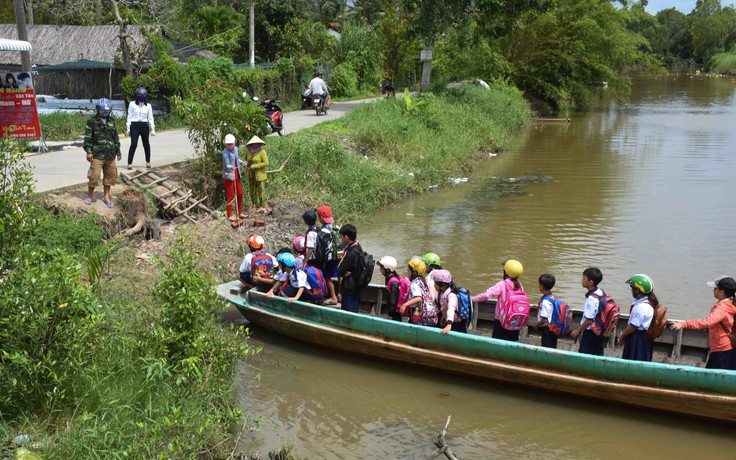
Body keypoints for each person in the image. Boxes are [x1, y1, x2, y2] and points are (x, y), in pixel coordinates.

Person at [671, 276, 736, 370]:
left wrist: (684, 324)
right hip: (726, 347)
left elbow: (708, 321)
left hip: (722, 348)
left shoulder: (722, 308)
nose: (713, 290)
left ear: (722, 292)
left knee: (716, 378)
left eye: (715, 288)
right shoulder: (731, 303)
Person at [472, 259, 526, 342]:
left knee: (497, 341)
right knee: (511, 342)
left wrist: (474, 299)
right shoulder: (520, 285)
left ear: (505, 272)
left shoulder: (502, 284)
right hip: (514, 320)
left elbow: (487, 295)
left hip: (501, 320)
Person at [83, 98, 122, 208]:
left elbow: (115, 137)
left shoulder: (112, 121)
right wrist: (89, 152)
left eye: (107, 111)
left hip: (110, 154)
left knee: (110, 176)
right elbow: (88, 138)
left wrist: (118, 152)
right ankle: (90, 196)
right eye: (102, 111)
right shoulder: (92, 121)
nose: (104, 113)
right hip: (97, 154)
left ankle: (106, 197)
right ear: (98, 110)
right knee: (94, 176)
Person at [570, 267, 608, 356]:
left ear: (590, 282)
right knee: (597, 354)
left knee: (585, 356)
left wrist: (577, 331)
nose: (582, 280)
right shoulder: (601, 291)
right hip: (599, 329)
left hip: (591, 332)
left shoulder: (591, 299)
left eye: (584, 278)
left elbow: (589, 320)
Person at [617, 274, 656, 362]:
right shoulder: (647, 303)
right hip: (641, 337)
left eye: (632, 288)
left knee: (633, 360)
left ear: (638, 290)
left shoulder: (641, 307)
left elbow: (633, 326)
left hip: (638, 338)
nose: (631, 290)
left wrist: (622, 335)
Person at [401, 257, 439, 326]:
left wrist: (405, 305)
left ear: (413, 272)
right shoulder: (422, 280)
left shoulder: (414, 284)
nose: (407, 273)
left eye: (408, 271)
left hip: (418, 312)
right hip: (427, 311)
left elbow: (418, 298)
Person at [126, 87, 156, 170]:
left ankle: (148, 161)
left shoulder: (148, 106)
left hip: (144, 125)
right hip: (134, 125)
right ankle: (129, 163)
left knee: (146, 144)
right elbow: (129, 116)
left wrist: (152, 129)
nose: (141, 97)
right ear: (137, 96)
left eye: (143, 96)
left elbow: (150, 118)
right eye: (140, 96)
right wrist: (128, 127)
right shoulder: (132, 104)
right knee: (134, 144)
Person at [336, 224, 363, 313]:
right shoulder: (358, 247)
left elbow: (339, 271)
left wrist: (343, 268)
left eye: (341, 236)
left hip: (349, 288)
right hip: (356, 286)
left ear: (346, 237)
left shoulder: (351, 253)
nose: (341, 239)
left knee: (348, 313)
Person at [221, 134, 246, 222]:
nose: (230, 146)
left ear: (234, 143)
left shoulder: (236, 149)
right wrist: (230, 166)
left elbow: (237, 158)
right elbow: (227, 163)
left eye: (231, 144)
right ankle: (230, 214)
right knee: (230, 196)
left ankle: (239, 212)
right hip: (229, 176)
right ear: (225, 144)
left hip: (237, 175)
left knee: (240, 194)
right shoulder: (225, 152)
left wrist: (242, 162)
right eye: (228, 144)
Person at [317, 205, 339, 305]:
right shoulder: (336, 228)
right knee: (340, 275)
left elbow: (320, 248)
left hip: (329, 258)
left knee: (327, 276)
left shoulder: (322, 231)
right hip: (338, 257)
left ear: (321, 218)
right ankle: (340, 295)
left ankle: (334, 297)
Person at [434, 269, 467, 334]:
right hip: (450, 320)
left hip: (456, 323)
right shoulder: (442, 293)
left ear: (442, 286)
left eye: (435, 283)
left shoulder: (451, 295)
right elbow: (445, 307)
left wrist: (449, 324)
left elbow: (451, 309)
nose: (434, 285)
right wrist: (443, 317)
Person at [243, 136, 269, 213]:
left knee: (261, 191)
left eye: (256, 144)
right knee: (252, 191)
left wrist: (255, 166)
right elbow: (245, 160)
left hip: (260, 175)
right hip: (251, 174)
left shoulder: (262, 152)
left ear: (259, 144)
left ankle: (262, 206)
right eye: (253, 144)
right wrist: (245, 163)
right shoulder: (248, 152)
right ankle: (254, 205)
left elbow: (266, 163)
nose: (254, 145)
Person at [532, 274, 558, 348]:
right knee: (551, 346)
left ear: (541, 286)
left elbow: (544, 319)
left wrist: (537, 326)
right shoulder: (552, 297)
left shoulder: (545, 301)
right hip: (552, 326)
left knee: (547, 347)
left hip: (548, 329)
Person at [378, 256, 403, 322]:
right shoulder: (390, 279)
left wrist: (390, 315)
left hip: (394, 313)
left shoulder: (393, 282)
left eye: (381, 268)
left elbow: (393, 302)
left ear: (387, 269)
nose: (380, 270)